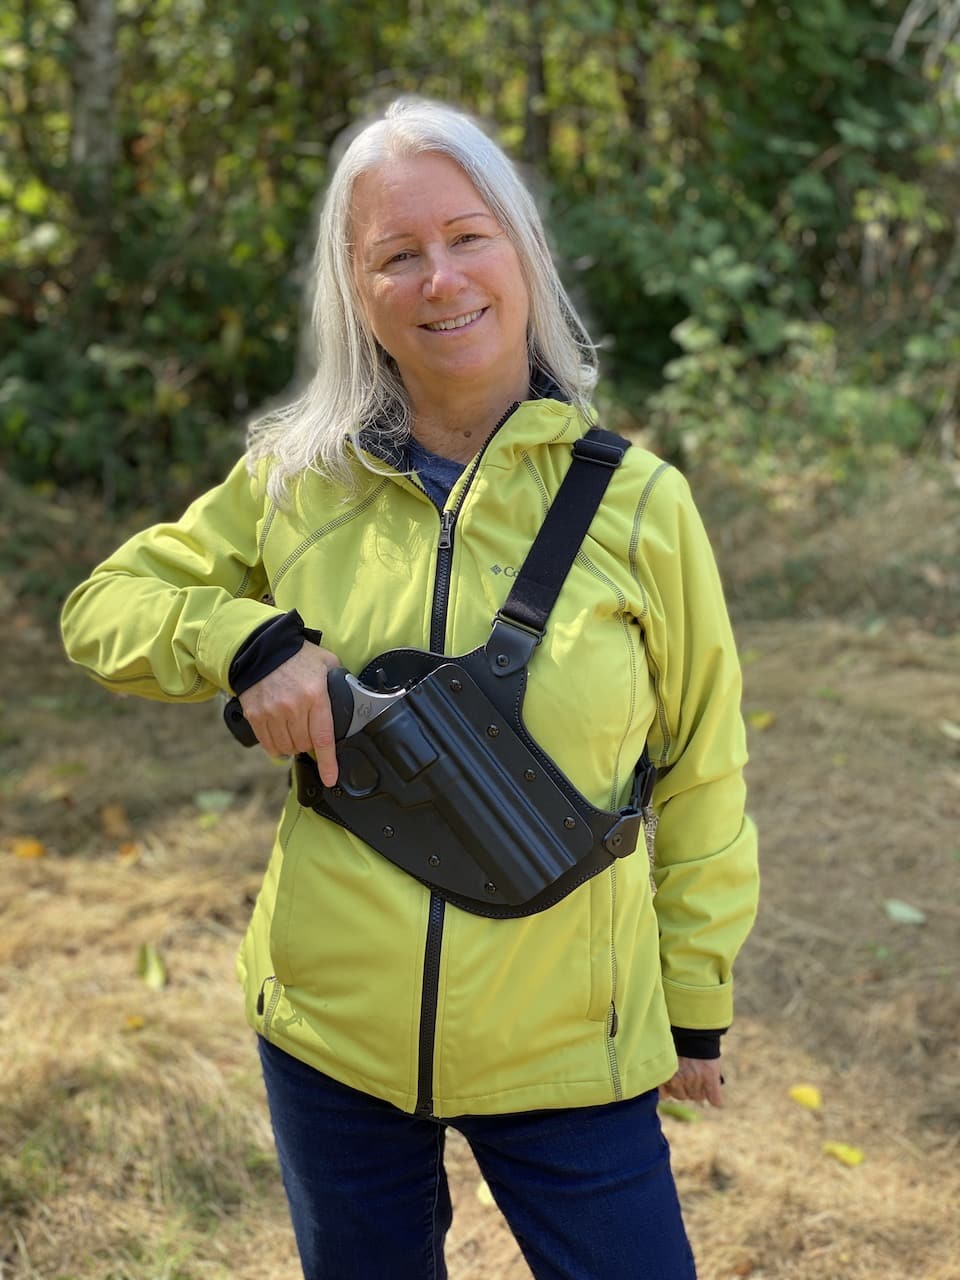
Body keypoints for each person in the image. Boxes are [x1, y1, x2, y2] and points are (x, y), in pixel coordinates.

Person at [61, 97, 759, 1280]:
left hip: (565, 1044)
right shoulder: (297, 480)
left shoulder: (643, 505)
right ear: (360, 293)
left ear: (522, 251)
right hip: (333, 1040)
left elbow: (702, 765)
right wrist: (246, 641)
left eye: (468, 236)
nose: (441, 279)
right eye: (397, 255)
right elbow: (102, 609)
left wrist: (693, 1002)